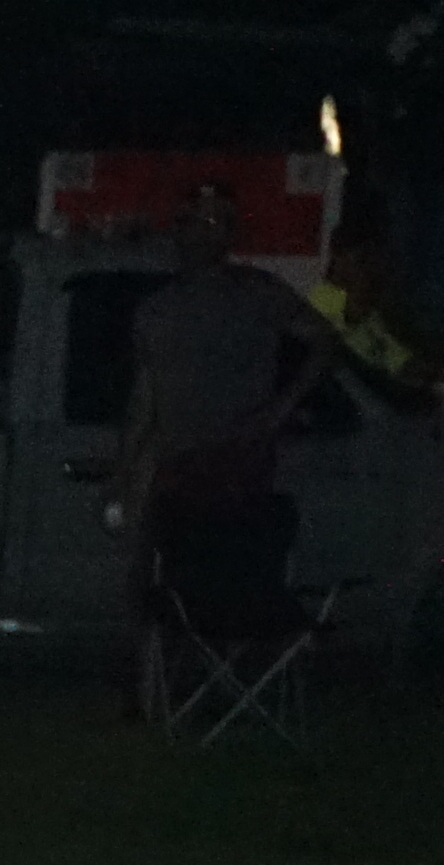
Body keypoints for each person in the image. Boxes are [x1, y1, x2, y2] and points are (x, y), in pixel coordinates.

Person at [117, 185, 328, 629]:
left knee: (231, 589)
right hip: (177, 469)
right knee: (157, 586)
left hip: (239, 467)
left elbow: (324, 342)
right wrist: (125, 470)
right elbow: (145, 400)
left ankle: (231, 661)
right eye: (195, 220)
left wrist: (280, 409)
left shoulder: (258, 293)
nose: (204, 231)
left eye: (216, 222)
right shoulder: (155, 311)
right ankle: (154, 668)